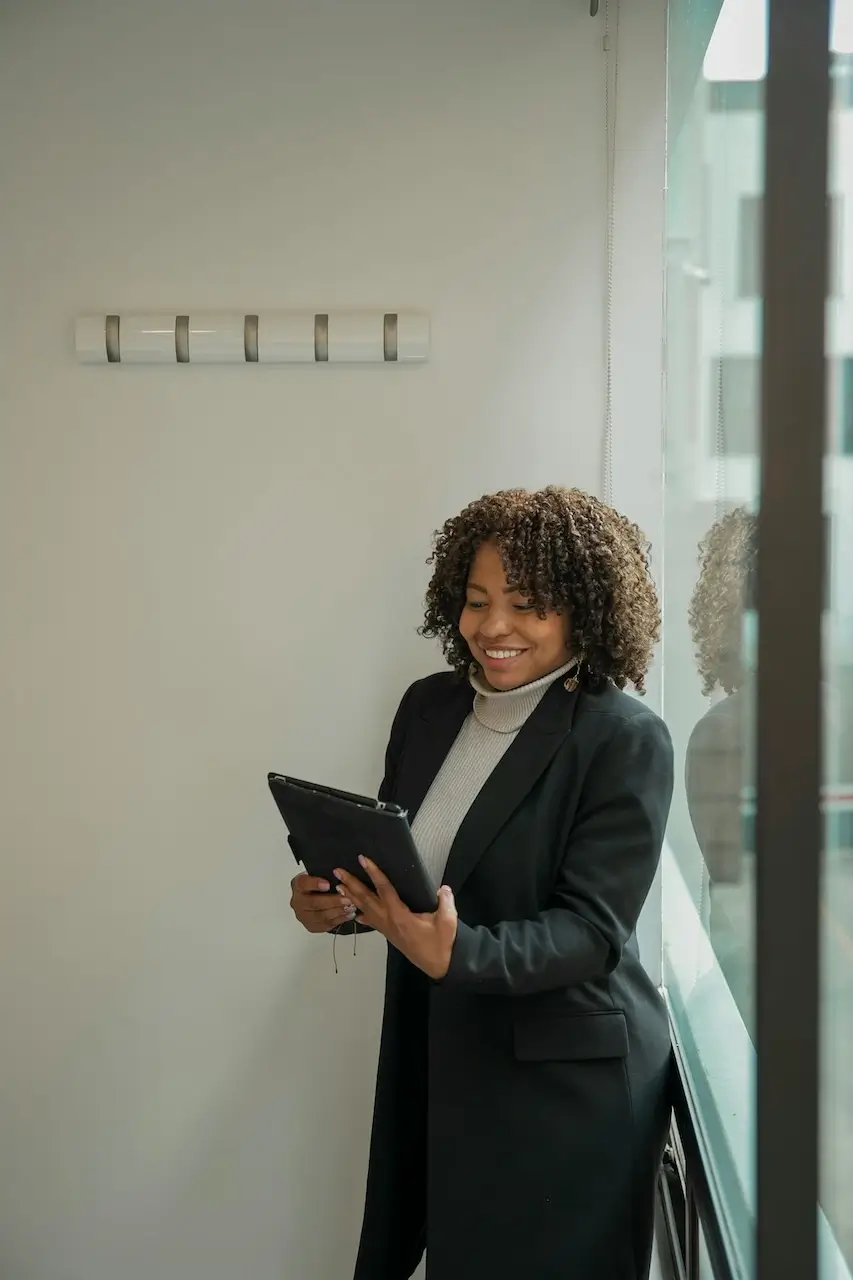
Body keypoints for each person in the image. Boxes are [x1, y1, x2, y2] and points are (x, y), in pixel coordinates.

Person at [290, 486, 675, 1280]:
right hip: (442, 1050)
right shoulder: (430, 708)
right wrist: (343, 905)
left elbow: (591, 932)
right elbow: (414, 869)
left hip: (564, 1085)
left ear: (583, 612)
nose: (492, 627)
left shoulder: (622, 739)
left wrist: (455, 952)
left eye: (527, 605)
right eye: (475, 601)